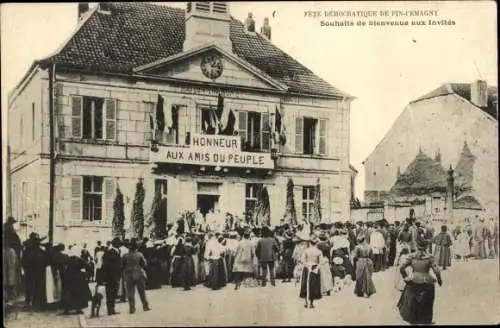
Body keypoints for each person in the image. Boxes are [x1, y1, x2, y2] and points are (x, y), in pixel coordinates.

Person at [397, 239, 443, 325]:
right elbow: (437, 270)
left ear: (417, 246)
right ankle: (426, 320)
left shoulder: (412, 256)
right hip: (427, 280)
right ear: (426, 247)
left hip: (413, 280)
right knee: (427, 301)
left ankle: (413, 320)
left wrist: (405, 277)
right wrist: (439, 280)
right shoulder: (430, 257)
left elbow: (401, 267)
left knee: (413, 300)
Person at [61, 245, 92, 315]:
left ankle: (66, 309)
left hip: (68, 278)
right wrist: (84, 273)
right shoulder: (79, 259)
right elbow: (88, 267)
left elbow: (63, 268)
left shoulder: (66, 259)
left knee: (68, 294)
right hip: (78, 278)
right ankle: (78, 309)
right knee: (78, 294)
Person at [122, 238, 151, 314]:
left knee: (130, 292)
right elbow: (144, 264)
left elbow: (122, 265)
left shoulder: (125, 255)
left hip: (128, 274)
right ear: (136, 247)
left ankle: (132, 308)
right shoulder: (139, 254)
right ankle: (145, 306)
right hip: (138, 273)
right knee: (141, 291)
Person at [22, 232, 48, 310]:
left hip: (30, 270)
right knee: (36, 286)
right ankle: (33, 302)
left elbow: (24, 262)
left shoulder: (27, 248)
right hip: (35, 270)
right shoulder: (36, 249)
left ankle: (29, 302)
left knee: (30, 286)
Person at [299, 235, 322, 309]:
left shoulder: (306, 250)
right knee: (313, 285)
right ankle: (311, 303)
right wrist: (316, 268)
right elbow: (320, 262)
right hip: (314, 268)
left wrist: (307, 266)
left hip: (307, 268)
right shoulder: (318, 251)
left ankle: (306, 302)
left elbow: (302, 260)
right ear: (316, 243)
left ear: (310, 243)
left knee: (305, 284)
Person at [3, 216, 22, 302]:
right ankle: (10, 295)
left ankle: (8, 295)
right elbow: (18, 244)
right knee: (11, 274)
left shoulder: (6, 230)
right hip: (11, 253)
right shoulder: (10, 232)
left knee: (7, 274)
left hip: (9, 252)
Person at [101, 238, 122, 316]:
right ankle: (110, 310)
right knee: (111, 293)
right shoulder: (112, 252)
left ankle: (111, 309)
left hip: (111, 276)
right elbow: (110, 265)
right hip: (112, 276)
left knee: (112, 293)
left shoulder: (111, 252)